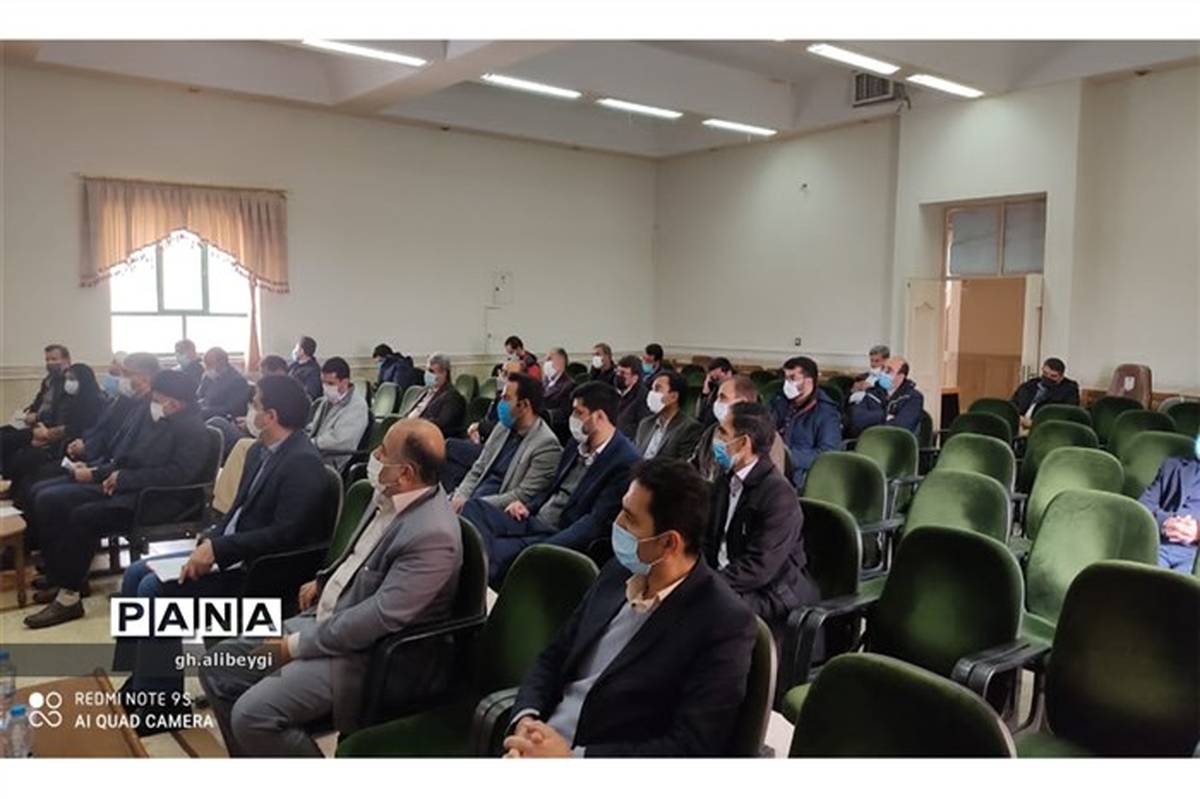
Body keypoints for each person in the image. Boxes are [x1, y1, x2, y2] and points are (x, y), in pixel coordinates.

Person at [199, 419, 463, 756]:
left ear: (406, 473)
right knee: (219, 668)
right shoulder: (390, 493)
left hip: (363, 657)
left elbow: (377, 619)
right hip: (325, 621)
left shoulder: (433, 535)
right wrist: (324, 579)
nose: (375, 455)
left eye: (383, 452)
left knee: (253, 715)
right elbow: (359, 555)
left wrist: (295, 646)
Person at [111, 375, 331, 720]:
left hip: (257, 572)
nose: (249, 410)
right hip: (232, 554)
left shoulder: (303, 462)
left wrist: (221, 549)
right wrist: (213, 537)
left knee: (154, 589)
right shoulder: (259, 451)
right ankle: (140, 678)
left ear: (270, 415)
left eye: (254, 403)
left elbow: (287, 535)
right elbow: (238, 512)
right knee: (136, 572)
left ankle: (160, 704)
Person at [502, 458, 756, 758]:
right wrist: (526, 719)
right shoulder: (618, 571)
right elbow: (555, 655)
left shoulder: (723, 622)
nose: (617, 523)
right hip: (538, 742)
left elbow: (690, 747)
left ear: (668, 543)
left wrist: (572, 760)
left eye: (630, 518)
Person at [24, 370, 210, 629]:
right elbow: (126, 459)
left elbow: (178, 475)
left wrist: (124, 479)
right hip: (130, 489)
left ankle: (69, 597)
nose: (153, 403)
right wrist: (101, 473)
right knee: (53, 500)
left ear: (176, 403)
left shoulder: (193, 430)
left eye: (158, 399)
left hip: (157, 502)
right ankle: (65, 579)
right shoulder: (158, 419)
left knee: (83, 516)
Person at [461, 381, 639, 585]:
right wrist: (527, 506)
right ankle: (475, 567)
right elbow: (552, 487)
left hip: (560, 533)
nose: (572, 418)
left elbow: (593, 523)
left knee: (495, 552)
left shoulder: (624, 461)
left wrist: (545, 547)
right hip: (535, 518)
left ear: (599, 417)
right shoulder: (577, 443)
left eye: (578, 412)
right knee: (473, 509)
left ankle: (475, 585)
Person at [706, 403, 818, 640]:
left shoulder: (778, 496)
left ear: (744, 443)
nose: (716, 439)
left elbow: (759, 568)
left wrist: (706, 584)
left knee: (700, 613)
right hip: (730, 580)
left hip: (770, 594)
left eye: (723, 433)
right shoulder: (725, 482)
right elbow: (708, 540)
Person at [452, 372, 562, 514]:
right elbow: (479, 468)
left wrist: (472, 505)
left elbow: (522, 495)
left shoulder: (546, 445)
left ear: (524, 405)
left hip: (494, 510)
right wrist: (460, 496)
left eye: (506, 398)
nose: (501, 404)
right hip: (474, 498)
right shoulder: (502, 427)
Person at [4, 363, 105, 506]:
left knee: (34, 481)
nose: (68, 383)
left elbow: (79, 430)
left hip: (75, 453)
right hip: (59, 446)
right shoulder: (71, 400)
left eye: (72, 379)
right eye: (67, 379)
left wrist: (51, 436)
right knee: (21, 457)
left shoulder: (96, 403)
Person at [693, 375, 788, 481]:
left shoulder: (768, 438)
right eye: (717, 398)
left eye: (722, 398)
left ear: (742, 402)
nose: (716, 403)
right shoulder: (712, 431)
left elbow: (771, 482)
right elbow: (693, 467)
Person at [768, 356, 843, 489]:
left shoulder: (826, 412)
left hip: (801, 476)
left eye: (792, 378)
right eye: (785, 378)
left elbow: (828, 453)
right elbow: (766, 428)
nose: (787, 384)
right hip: (773, 467)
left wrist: (786, 456)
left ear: (809, 381)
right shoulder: (779, 401)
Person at [1, 344, 71, 476]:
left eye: (54, 359)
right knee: (4, 433)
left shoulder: (68, 383)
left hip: (47, 427)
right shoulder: (48, 381)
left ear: (66, 360)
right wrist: (29, 413)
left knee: (7, 442)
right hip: (33, 423)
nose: (50, 363)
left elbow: (59, 412)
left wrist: (38, 417)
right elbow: (37, 402)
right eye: (47, 360)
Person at [1136, 437, 1200, 574]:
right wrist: (1164, 522)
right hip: (1160, 544)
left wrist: (1197, 532)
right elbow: (1143, 506)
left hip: (1195, 553)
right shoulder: (1172, 465)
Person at [308, 356, 370, 471]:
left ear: (345, 382)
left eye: (330, 383)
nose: (325, 387)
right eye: (323, 382)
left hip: (332, 462)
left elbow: (340, 440)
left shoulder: (357, 406)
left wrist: (311, 443)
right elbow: (317, 427)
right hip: (315, 454)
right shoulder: (327, 401)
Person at [847, 356, 924, 437]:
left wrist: (870, 423)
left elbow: (900, 429)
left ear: (900, 376)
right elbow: (856, 419)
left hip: (894, 443)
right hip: (867, 441)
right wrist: (884, 416)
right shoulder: (873, 393)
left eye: (888, 371)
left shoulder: (913, 397)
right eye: (883, 368)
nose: (883, 373)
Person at [635, 372, 703, 461]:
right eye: (652, 389)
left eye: (657, 389)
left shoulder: (689, 428)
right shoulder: (645, 424)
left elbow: (682, 465)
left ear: (674, 396)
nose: (651, 394)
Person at [405, 353, 467, 439]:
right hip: (410, 431)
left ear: (443, 373)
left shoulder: (452, 397)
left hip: (428, 437)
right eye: (427, 370)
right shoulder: (425, 391)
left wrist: (416, 423)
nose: (427, 374)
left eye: (431, 371)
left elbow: (442, 424)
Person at [1011, 357, 1080, 428]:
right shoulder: (1030, 384)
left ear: (1061, 377)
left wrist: (1033, 423)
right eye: (1045, 373)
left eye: (1053, 376)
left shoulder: (1069, 390)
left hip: (1045, 427)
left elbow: (1067, 414)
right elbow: (1013, 404)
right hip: (1019, 423)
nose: (1048, 377)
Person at [197, 347, 252, 421]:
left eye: (210, 364)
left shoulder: (238, 381)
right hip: (207, 414)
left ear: (222, 362)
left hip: (225, 419)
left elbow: (231, 408)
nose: (207, 368)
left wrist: (204, 411)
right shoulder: (208, 377)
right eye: (205, 364)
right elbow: (199, 395)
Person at [542, 347, 576, 443]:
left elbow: (565, 414)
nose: (546, 363)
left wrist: (545, 414)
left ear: (561, 362)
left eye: (549, 359)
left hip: (557, 432)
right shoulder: (545, 382)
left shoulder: (569, 385)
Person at [615, 355, 650, 439]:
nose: (618, 375)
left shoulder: (643, 398)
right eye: (617, 371)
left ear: (635, 378)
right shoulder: (612, 392)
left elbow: (642, 430)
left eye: (623, 373)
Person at [696, 357, 734, 426]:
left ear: (728, 373)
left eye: (718, 377)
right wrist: (705, 391)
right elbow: (701, 415)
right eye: (713, 378)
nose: (716, 381)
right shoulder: (714, 390)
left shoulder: (736, 389)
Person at [289, 335, 322, 399]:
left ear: (302, 351)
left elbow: (310, 394)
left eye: (296, 348)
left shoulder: (313, 371)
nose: (294, 351)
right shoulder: (293, 365)